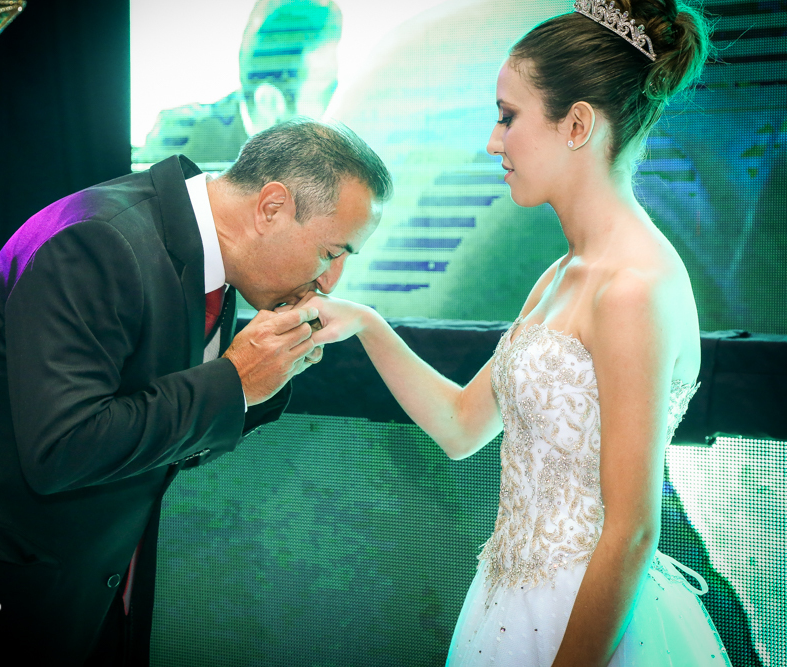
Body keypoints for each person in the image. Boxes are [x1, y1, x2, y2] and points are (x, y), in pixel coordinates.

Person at [0, 118, 391, 662]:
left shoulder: (211, 257)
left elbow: (161, 430)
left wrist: (257, 383)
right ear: (271, 207)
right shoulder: (96, 239)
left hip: (84, 581)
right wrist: (234, 382)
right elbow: (63, 448)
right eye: (331, 253)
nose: (331, 281)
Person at [305, 1, 731, 664]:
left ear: (577, 124)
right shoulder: (562, 275)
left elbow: (631, 531)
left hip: (586, 621)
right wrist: (366, 323)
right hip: (509, 609)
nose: (493, 141)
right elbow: (461, 426)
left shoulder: (632, 289)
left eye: (507, 116)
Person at [133, 0, 341, 166]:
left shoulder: (320, 154)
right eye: (326, 90)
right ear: (269, 102)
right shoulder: (178, 142)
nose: (336, 100)